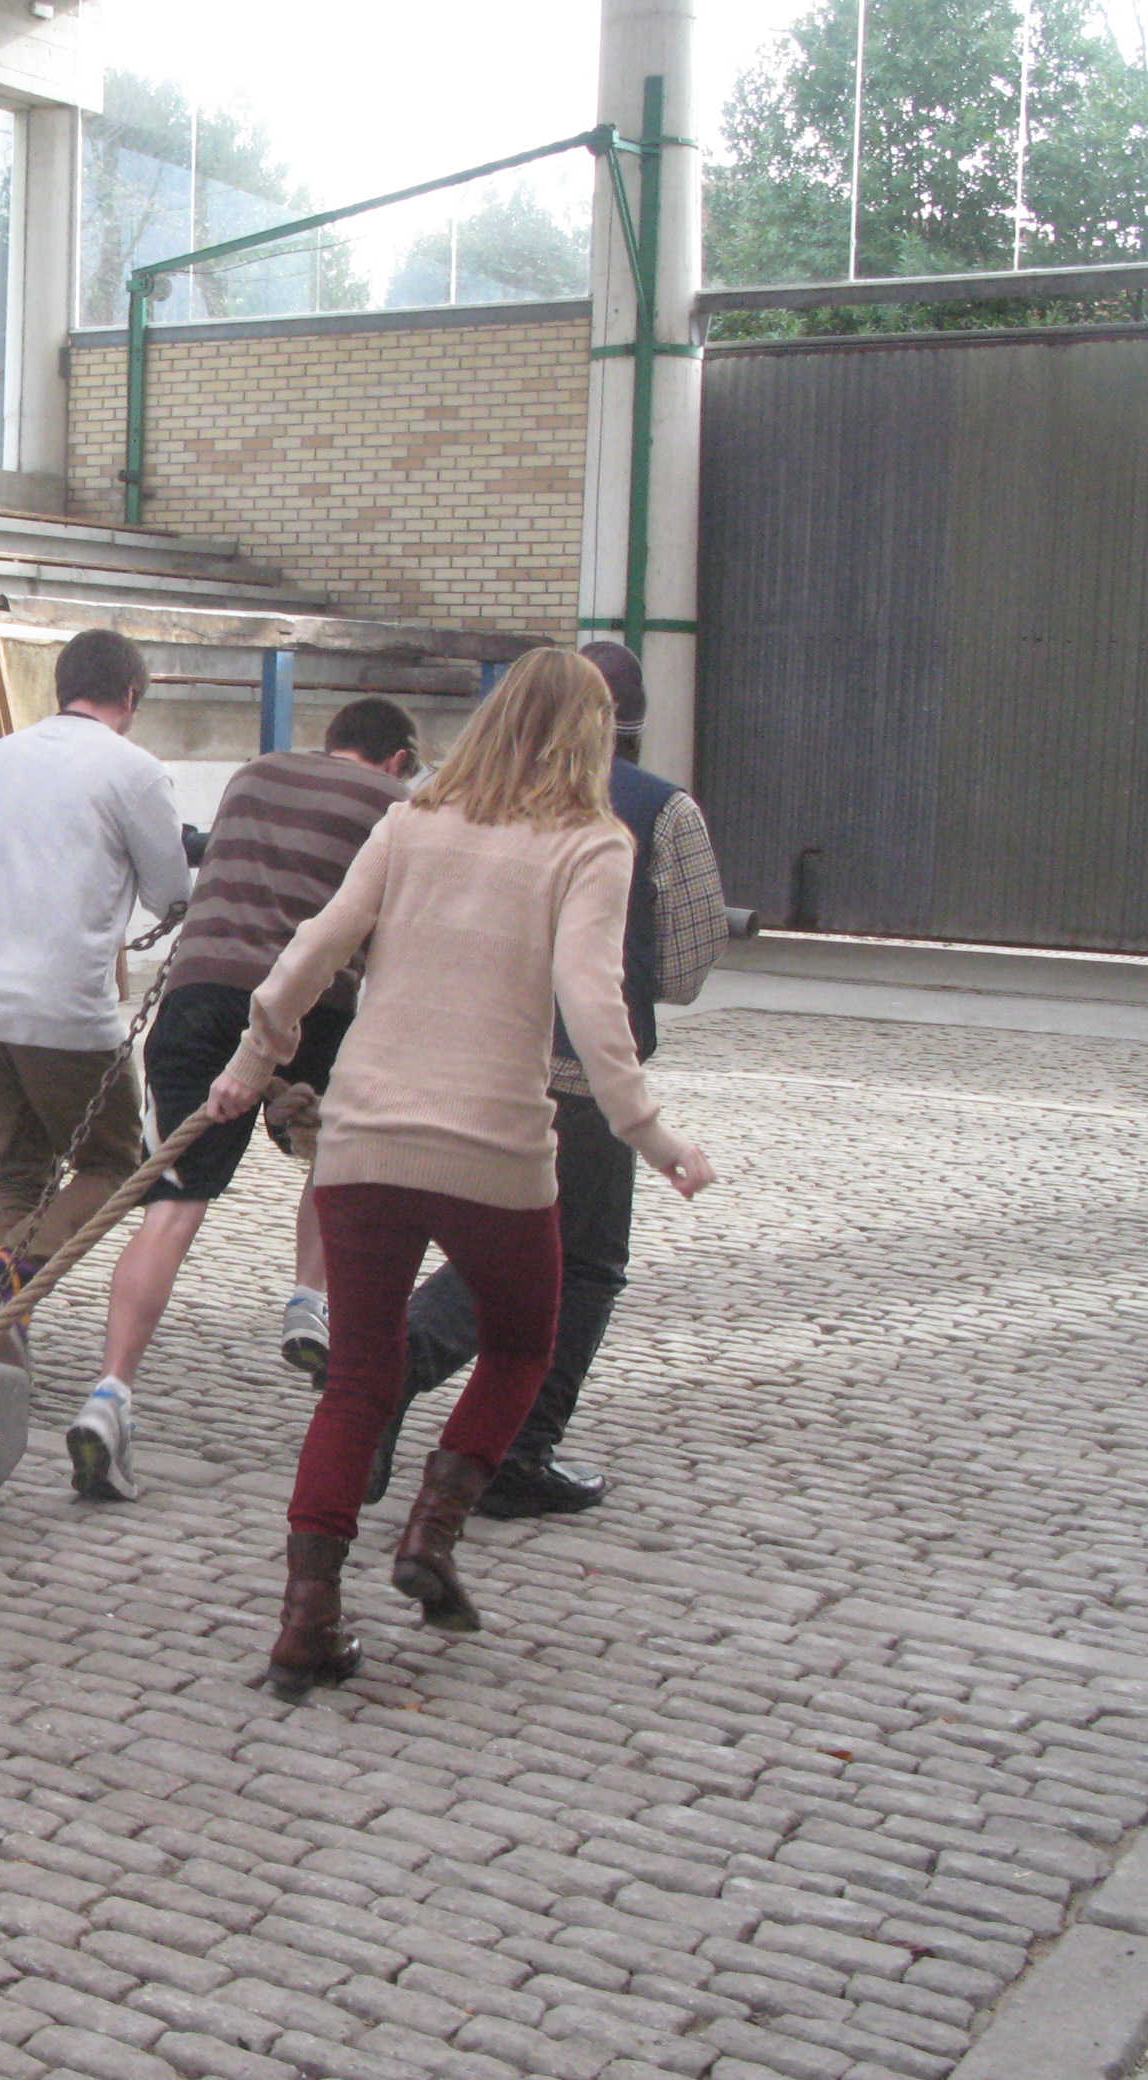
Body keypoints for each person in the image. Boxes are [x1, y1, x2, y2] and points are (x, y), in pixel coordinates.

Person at [196, 647, 717, 1697]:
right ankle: (433, 1530)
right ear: (595, 735)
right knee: (522, 1342)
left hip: (363, 1140)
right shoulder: (591, 842)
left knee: (358, 1380)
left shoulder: (413, 820)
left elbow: (311, 951)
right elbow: (592, 1002)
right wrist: (651, 1135)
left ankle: (305, 1621)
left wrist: (252, 1063)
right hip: (493, 1147)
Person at [392, 639, 729, 1519]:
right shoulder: (659, 811)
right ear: (626, 724)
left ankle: (413, 1381)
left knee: (506, 1243)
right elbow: (687, 960)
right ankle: (502, 1440)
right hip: (576, 1080)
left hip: (459, 1058)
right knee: (578, 1261)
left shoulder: (460, 797)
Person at [63, 698, 419, 1501]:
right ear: (399, 759)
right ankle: (308, 1302)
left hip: (198, 993)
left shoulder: (254, 774)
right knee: (334, 1158)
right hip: (310, 1005)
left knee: (171, 1206)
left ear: (332, 741)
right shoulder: (396, 805)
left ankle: (110, 1396)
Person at [0, 629, 191, 1369]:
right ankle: (9, 1272)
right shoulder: (135, 770)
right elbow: (171, 894)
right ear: (130, 695)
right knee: (113, 1165)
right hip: (64, 1009)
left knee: (22, 1172)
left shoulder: (1, 757)